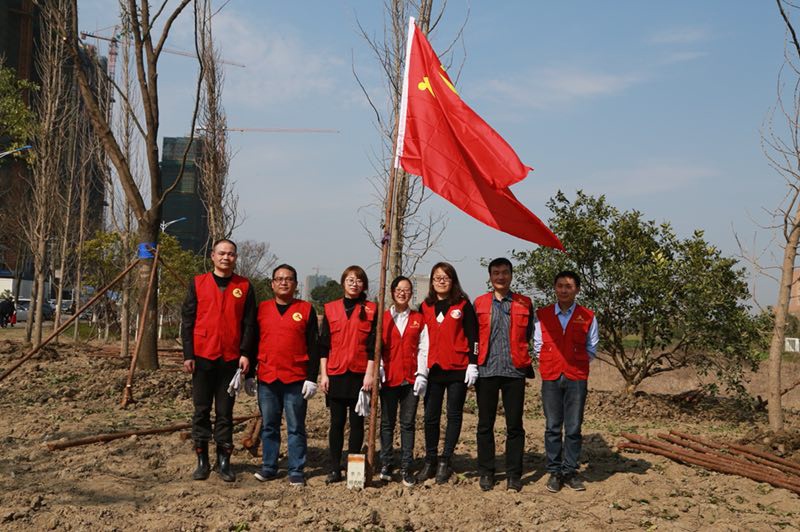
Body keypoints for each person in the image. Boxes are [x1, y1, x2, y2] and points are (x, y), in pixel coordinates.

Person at [182, 239, 257, 482]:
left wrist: (246, 353)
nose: (226, 257)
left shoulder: (244, 286)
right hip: (203, 355)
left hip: (231, 358)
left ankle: (224, 461)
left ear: (236, 258)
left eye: (231, 254)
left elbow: (249, 324)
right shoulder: (198, 283)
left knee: (225, 412)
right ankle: (202, 460)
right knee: (201, 409)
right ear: (213, 256)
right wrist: (188, 354)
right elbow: (188, 320)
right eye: (222, 253)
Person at [252, 264, 319, 487]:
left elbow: (314, 346)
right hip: (267, 376)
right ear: (272, 284)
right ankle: (269, 466)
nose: (283, 282)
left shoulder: (306, 310)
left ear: (295, 284)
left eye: (288, 279)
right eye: (279, 279)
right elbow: (252, 341)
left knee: (296, 426)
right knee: (269, 425)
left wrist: (312, 377)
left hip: (295, 378)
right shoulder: (262, 309)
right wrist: (249, 373)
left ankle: (296, 469)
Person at [534, 270, 599, 492]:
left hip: (576, 377)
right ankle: (554, 472)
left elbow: (592, 347)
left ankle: (570, 471)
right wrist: (553, 361)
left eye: (569, 286)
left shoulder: (587, 316)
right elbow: (538, 345)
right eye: (560, 286)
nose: (564, 290)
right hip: (551, 376)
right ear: (555, 288)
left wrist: (573, 361)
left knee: (573, 427)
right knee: (552, 426)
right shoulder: (542, 315)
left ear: (577, 290)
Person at [473, 258, 534, 492]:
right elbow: (473, 336)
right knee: (485, 424)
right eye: (496, 273)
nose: (500, 277)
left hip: (514, 371)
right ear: (490, 276)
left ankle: (514, 474)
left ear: (511, 275)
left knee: (515, 425)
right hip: (486, 370)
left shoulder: (524, 303)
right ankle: (486, 472)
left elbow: (529, 333)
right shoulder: (479, 303)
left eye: (505, 272)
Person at [417, 262, 478, 484]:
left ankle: (445, 459)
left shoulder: (463, 304)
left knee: (454, 415)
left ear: (452, 281)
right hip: (433, 370)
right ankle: (430, 460)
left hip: (457, 368)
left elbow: (474, 336)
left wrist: (473, 363)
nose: (441, 281)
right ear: (432, 282)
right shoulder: (425, 306)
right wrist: (420, 370)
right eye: (437, 278)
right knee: (430, 416)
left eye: (445, 277)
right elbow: (420, 339)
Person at [319, 265, 377, 484]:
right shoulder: (330, 308)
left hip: (360, 375)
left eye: (359, 280)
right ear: (343, 282)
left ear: (364, 285)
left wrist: (369, 374)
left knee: (357, 423)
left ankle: (354, 470)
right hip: (336, 373)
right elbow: (324, 345)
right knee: (336, 423)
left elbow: (373, 346)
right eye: (350, 280)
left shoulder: (372, 309)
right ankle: (334, 467)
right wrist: (324, 375)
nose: (354, 284)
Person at [378, 276, 429, 487]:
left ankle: (407, 465)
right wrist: (379, 367)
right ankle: (386, 463)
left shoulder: (419, 319)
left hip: (410, 379)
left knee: (408, 424)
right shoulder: (382, 318)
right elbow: (377, 347)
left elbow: (424, 347)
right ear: (392, 292)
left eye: (407, 290)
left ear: (411, 293)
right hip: (388, 378)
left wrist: (422, 373)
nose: (402, 293)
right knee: (387, 423)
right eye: (399, 289)